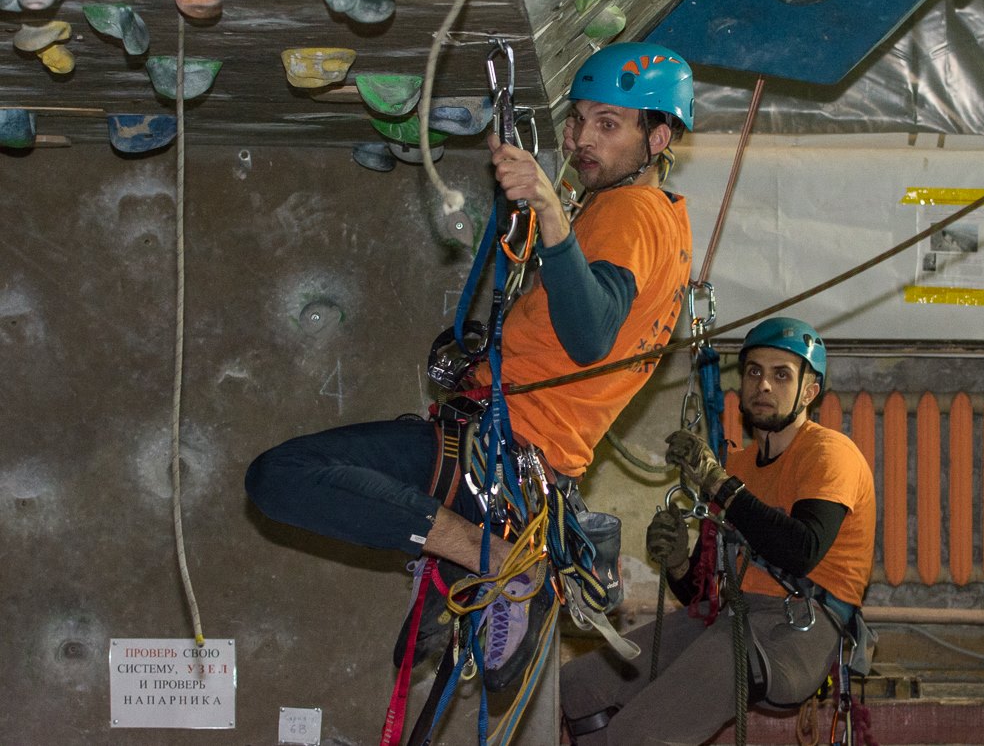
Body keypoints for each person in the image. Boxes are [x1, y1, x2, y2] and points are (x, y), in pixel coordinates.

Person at [243, 42, 695, 691]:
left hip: (498, 452)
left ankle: (496, 555)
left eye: (609, 124)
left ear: (657, 137)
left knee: (281, 476)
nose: (582, 138)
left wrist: (550, 210)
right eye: (580, 119)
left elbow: (591, 333)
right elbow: (582, 343)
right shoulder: (669, 225)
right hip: (529, 469)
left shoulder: (630, 211)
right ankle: (492, 556)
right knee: (457, 663)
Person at [560, 317, 876, 746]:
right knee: (579, 686)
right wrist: (677, 562)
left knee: (635, 736)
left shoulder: (829, 454)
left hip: (799, 631)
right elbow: (702, 593)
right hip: (730, 616)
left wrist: (719, 487)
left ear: (809, 392)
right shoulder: (740, 466)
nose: (763, 384)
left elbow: (801, 550)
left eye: (781, 374)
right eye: (754, 371)